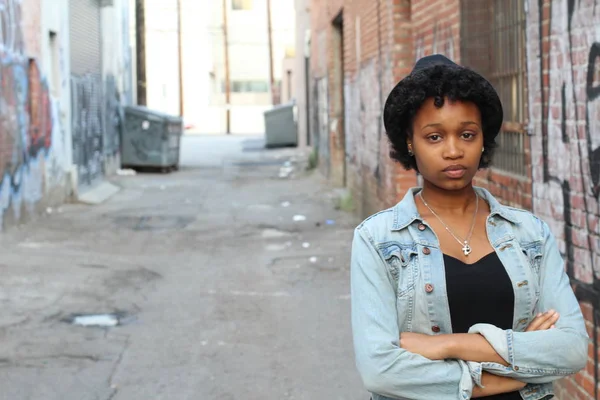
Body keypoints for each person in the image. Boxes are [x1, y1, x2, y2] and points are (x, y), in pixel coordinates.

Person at [350, 54, 588, 400]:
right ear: (409, 142)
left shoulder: (530, 234)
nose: (453, 151)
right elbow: (381, 371)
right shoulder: (378, 240)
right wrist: (511, 373)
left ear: (482, 140)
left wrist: (448, 344)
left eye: (466, 134)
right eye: (434, 137)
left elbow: (571, 349)